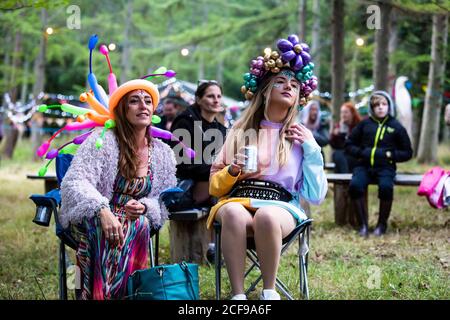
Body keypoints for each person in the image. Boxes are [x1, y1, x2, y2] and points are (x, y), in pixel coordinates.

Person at [207, 34, 328, 300]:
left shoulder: (300, 137)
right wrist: (233, 171)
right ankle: (238, 296)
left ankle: (269, 292)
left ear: (299, 96)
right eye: (280, 82)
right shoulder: (240, 131)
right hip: (237, 199)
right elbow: (214, 184)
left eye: (294, 85)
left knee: (267, 216)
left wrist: (312, 148)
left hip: (281, 206)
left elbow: (316, 195)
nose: (288, 87)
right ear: (265, 91)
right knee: (235, 214)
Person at [60, 79, 177, 299]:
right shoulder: (102, 140)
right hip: (92, 216)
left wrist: (144, 206)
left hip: (136, 221)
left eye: (147, 101)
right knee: (107, 225)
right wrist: (102, 210)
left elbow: (162, 198)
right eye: (134, 101)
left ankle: (123, 294)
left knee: (138, 223)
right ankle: (101, 294)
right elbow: (75, 182)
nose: (143, 106)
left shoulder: (162, 153)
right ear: (122, 110)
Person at [170, 80, 227, 262]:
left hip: (207, 184)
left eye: (219, 96)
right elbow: (182, 164)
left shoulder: (218, 128)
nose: (216, 100)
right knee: (223, 181)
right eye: (210, 96)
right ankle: (218, 246)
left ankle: (223, 243)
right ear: (198, 99)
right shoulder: (185, 121)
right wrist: (217, 169)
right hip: (183, 188)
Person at [346, 90, 412, 237]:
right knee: (355, 186)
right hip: (364, 166)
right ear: (372, 108)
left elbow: (408, 152)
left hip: (385, 168)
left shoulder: (396, 126)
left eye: (384, 104)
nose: (381, 107)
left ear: (389, 106)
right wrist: (361, 152)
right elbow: (349, 145)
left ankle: (381, 226)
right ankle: (363, 225)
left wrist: (390, 155)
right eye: (377, 105)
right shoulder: (364, 125)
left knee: (386, 187)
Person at [329, 102, 361, 173]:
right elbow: (333, 145)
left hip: (354, 156)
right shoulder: (339, 126)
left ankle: (343, 180)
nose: (343, 115)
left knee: (339, 160)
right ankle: (345, 178)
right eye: (342, 112)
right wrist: (335, 135)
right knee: (337, 154)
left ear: (352, 114)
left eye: (346, 112)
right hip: (342, 155)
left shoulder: (359, 126)